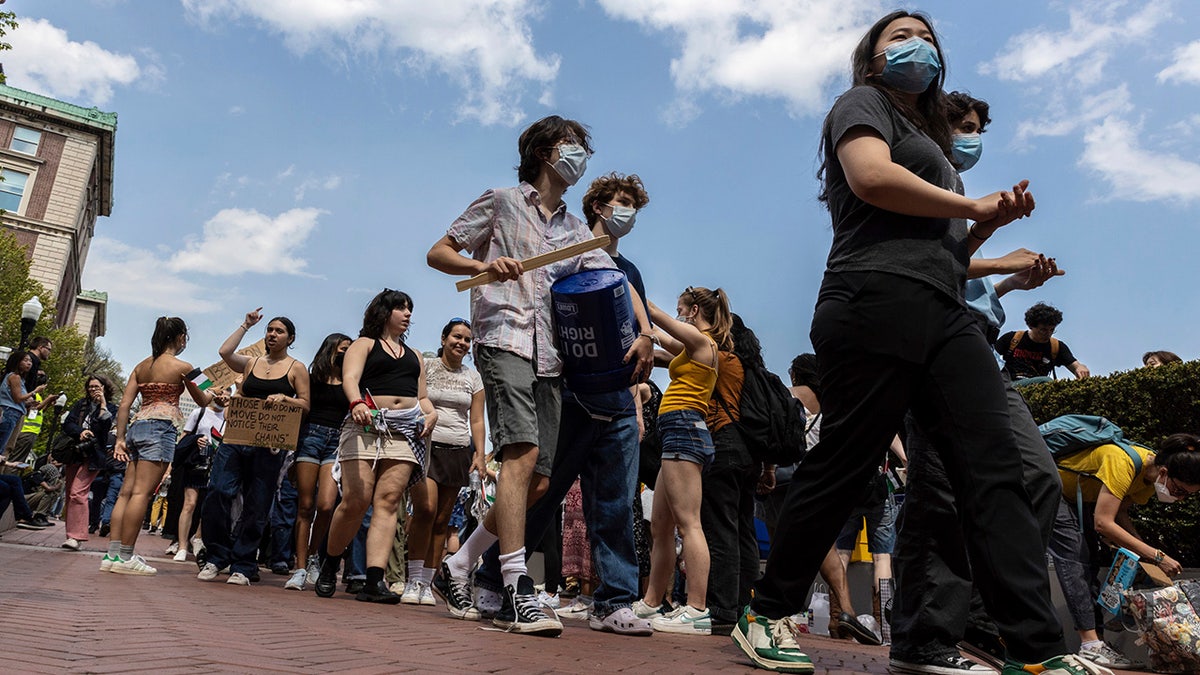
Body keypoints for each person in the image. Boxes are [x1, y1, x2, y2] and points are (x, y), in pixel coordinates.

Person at [731, 11, 1093, 675]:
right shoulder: (862, 104)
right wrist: (975, 206)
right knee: (846, 459)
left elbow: (949, 251)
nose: (917, 43)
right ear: (871, 57)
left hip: (946, 314)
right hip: (872, 298)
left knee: (996, 471)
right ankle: (765, 610)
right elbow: (870, 178)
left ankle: (1036, 650)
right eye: (900, 34)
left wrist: (988, 228)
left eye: (926, 35)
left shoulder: (934, 145)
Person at [427, 115, 653, 635]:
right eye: (573, 146)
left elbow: (616, 278)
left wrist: (642, 331)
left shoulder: (576, 230)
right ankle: (517, 587)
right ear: (547, 151)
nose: (579, 157)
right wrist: (483, 267)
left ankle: (459, 563)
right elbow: (439, 252)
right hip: (503, 337)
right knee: (522, 454)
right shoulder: (501, 200)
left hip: (550, 356)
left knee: (539, 480)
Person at [888, 90, 1071, 673]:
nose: (970, 136)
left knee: (1037, 478)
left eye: (975, 128)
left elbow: (963, 276)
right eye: (960, 125)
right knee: (938, 493)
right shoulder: (915, 179)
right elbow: (921, 264)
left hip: (977, 353)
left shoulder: (960, 195)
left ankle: (989, 614)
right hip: (933, 350)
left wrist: (1012, 280)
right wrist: (999, 255)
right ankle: (924, 639)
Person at [311, 289, 435, 603]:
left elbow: (421, 397)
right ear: (384, 312)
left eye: (409, 308)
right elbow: (350, 378)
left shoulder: (415, 355)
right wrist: (355, 402)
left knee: (389, 501)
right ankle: (329, 562)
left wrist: (431, 414)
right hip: (365, 424)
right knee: (356, 499)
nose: (407, 314)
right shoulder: (364, 345)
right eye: (400, 308)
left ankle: (374, 580)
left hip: (404, 431)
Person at [1049, 434, 1200, 665]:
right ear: (1164, 473)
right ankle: (1090, 644)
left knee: (1090, 561)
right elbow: (1103, 522)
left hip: (1081, 500)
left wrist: (1144, 554)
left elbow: (1119, 514)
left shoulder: (1147, 482)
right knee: (1075, 557)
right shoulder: (1123, 462)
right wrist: (1157, 556)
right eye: (1180, 491)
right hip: (1053, 489)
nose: (1179, 499)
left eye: (1187, 496)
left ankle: (1096, 641)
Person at [639, 286, 730, 635]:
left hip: (685, 432)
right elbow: (662, 338)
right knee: (661, 526)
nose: (677, 314)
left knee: (689, 523)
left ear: (693, 311)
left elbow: (659, 319)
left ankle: (696, 608)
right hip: (674, 435)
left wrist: (637, 297)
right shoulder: (691, 347)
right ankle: (650, 603)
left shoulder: (704, 344)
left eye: (681, 309)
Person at [198, 310, 310, 586]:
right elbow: (225, 352)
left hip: (269, 444)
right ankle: (216, 556)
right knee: (218, 491)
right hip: (236, 438)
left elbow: (306, 404)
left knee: (257, 504)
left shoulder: (296, 368)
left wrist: (285, 398)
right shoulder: (252, 363)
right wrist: (246, 325)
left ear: (290, 338)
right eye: (270, 330)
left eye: (279, 331)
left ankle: (244, 563)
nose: (272, 334)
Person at [103, 317, 213, 575]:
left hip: (137, 426)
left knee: (126, 493)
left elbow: (124, 405)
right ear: (179, 337)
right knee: (142, 494)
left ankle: (112, 555)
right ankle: (127, 557)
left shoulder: (141, 366)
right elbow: (205, 399)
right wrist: (213, 391)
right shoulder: (184, 366)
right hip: (161, 429)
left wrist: (120, 438)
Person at [402, 319, 484, 605]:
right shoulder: (427, 366)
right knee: (425, 510)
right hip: (427, 447)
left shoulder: (473, 377)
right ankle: (411, 580)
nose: (461, 343)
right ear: (444, 337)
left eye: (466, 340)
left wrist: (480, 453)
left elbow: (476, 419)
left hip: (458, 451)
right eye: (456, 337)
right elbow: (415, 400)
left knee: (442, 521)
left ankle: (427, 582)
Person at [284, 333, 352, 591]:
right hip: (311, 437)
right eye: (343, 349)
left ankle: (314, 557)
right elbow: (300, 407)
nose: (346, 354)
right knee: (305, 505)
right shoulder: (311, 379)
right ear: (330, 349)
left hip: (337, 441)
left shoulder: (350, 380)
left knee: (326, 505)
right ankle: (300, 567)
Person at [171, 387, 230, 562]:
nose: (223, 397)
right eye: (221, 393)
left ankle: (198, 537)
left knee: (209, 505)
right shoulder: (200, 412)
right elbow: (184, 437)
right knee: (190, 503)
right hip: (197, 462)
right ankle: (182, 546)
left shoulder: (231, 417)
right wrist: (195, 440)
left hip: (218, 463)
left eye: (228, 395)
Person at [60, 375, 118, 552]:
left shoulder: (112, 408)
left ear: (104, 388)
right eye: (90, 387)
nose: (93, 390)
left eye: (96, 387)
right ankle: (71, 534)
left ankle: (76, 536)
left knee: (78, 493)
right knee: (71, 493)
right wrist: (81, 431)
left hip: (93, 456)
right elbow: (67, 424)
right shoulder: (80, 405)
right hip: (75, 453)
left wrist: (102, 404)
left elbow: (105, 426)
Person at [997, 302, 1089, 384]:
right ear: (1031, 326)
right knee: (1047, 381)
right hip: (1010, 386)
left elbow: (1075, 365)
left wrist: (1080, 368)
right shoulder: (1013, 339)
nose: (1048, 334)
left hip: (1038, 388)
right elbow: (990, 356)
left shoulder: (1056, 346)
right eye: (1043, 330)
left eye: (1052, 330)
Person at [0, 352, 45, 454]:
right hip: (9, 412)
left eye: (30, 361)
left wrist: (29, 403)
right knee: (2, 445)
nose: (29, 363)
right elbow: (18, 398)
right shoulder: (14, 377)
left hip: (14, 413)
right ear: (17, 362)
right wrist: (35, 391)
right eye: (25, 360)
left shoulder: (20, 379)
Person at [5, 370, 52, 463]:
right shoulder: (30, 393)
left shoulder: (37, 396)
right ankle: (7, 477)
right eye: (38, 375)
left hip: (30, 431)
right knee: (15, 460)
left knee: (17, 460)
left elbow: (38, 412)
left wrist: (48, 403)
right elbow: (32, 410)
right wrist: (48, 399)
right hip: (25, 430)